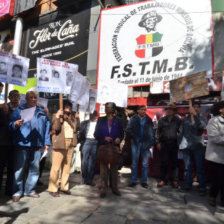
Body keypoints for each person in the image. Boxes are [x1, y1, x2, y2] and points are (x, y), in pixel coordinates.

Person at [9, 91, 51, 202]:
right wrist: (15, 124)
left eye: (35, 97)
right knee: (19, 170)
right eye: (31, 97)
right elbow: (10, 125)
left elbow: (47, 127)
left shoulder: (41, 111)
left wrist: (47, 143)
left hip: (37, 145)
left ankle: (30, 190)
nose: (33, 99)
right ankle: (17, 192)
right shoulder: (19, 110)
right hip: (22, 144)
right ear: (26, 99)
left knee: (34, 169)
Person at [48, 101, 80, 197]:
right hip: (60, 143)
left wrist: (77, 119)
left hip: (70, 143)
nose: (68, 108)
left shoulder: (72, 117)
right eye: (66, 106)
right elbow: (56, 128)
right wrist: (58, 117)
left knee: (67, 167)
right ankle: (53, 188)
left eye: (70, 106)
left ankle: (64, 186)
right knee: (56, 167)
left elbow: (77, 129)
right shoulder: (56, 115)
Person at [94, 102, 124, 197]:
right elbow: (96, 134)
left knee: (114, 169)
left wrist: (119, 138)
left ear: (113, 109)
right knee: (103, 170)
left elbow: (122, 134)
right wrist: (104, 138)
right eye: (105, 107)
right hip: (104, 147)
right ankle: (103, 189)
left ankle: (114, 188)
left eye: (108, 107)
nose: (106, 109)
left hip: (114, 148)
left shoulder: (118, 120)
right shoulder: (101, 120)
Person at [179, 102, 207, 195]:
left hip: (198, 146)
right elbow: (181, 132)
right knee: (187, 168)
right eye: (193, 107)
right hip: (187, 147)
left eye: (197, 107)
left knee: (200, 168)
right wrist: (179, 144)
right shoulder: (185, 119)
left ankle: (202, 187)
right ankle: (187, 185)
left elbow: (203, 127)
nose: (195, 109)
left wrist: (196, 116)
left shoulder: (202, 118)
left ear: (199, 109)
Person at [126, 105, 155, 188]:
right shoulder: (133, 119)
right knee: (134, 163)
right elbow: (128, 129)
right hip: (135, 143)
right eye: (142, 110)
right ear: (138, 110)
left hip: (145, 144)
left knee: (145, 164)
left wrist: (152, 144)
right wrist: (131, 137)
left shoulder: (148, 119)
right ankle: (134, 181)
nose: (144, 111)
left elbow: (151, 132)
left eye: (145, 110)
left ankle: (144, 181)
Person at [0, 90, 20, 196]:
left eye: (17, 96)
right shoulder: (3, 108)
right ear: (8, 97)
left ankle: (8, 191)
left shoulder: (22, 110)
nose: (15, 97)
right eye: (12, 95)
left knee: (12, 169)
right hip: (3, 142)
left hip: (15, 144)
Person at [156, 103, 181, 188]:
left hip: (174, 144)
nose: (168, 110)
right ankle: (163, 180)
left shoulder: (178, 120)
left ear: (174, 111)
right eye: (167, 109)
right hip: (164, 144)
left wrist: (180, 141)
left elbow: (181, 132)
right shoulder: (161, 120)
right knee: (164, 162)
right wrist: (158, 142)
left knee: (175, 163)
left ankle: (174, 180)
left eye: (170, 109)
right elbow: (158, 132)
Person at [206, 102, 224, 207]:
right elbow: (214, 138)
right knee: (218, 179)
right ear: (220, 110)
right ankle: (212, 196)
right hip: (216, 156)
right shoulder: (213, 121)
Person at [79, 110, 98, 185]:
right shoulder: (84, 123)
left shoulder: (99, 123)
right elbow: (81, 132)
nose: (92, 116)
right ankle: (84, 178)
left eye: (93, 114)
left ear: (96, 115)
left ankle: (90, 179)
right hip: (86, 141)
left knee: (92, 162)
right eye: (91, 114)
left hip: (95, 142)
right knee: (84, 161)